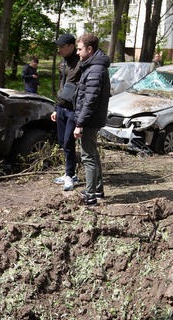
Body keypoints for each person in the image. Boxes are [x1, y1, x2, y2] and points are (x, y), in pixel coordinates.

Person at [73, 33, 110, 206]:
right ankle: (97, 191)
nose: (77, 53)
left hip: (89, 120)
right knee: (93, 155)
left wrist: (80, 123)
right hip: (91, 119)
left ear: (90, 49)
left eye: (79, 49)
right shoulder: (93, 66)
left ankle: (90, 196)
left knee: (88, 157)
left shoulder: (95, 69)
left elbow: (90, 100)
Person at [51, 34, 81, 192]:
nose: (59, 49)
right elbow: (62, 87)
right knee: (63, 142)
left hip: (73, 110)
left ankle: (70, 175)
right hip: (62, 108)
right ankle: (70, 173)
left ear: (71, 46)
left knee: (69, 142)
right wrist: (56, 108)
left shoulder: (80, 62)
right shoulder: (63, 63)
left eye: (62, 46)